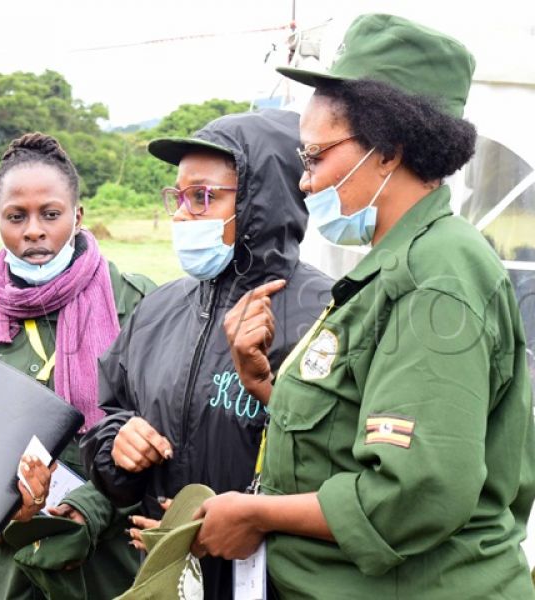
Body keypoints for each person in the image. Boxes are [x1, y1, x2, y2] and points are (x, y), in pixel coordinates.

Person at [192, 14, 535, 599]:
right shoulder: (393, 262)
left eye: (315, 157)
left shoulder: (436, 275)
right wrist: (265, 386)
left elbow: (414, 493)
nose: (304, 182)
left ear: (388, 151)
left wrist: (256, 514)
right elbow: (355, 429)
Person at [80, 108, 333, 598]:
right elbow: (111, 414)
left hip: (278, 585)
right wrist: (117, 445)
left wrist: (252, 521)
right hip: (166, 581)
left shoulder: (327, 315)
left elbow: (343, 472)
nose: (181, 215)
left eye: (202, 197)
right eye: (178, 197)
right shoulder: (157, 310)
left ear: (261, 201)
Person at [0, 132, 156, 600]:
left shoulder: (134, 302)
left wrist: (87, 507)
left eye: (50, 214)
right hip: (10, 560)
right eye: (16, 217)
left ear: (77, 216)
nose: (33, 231)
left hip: (106, 560)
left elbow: (160, 430)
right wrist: (4, 508)